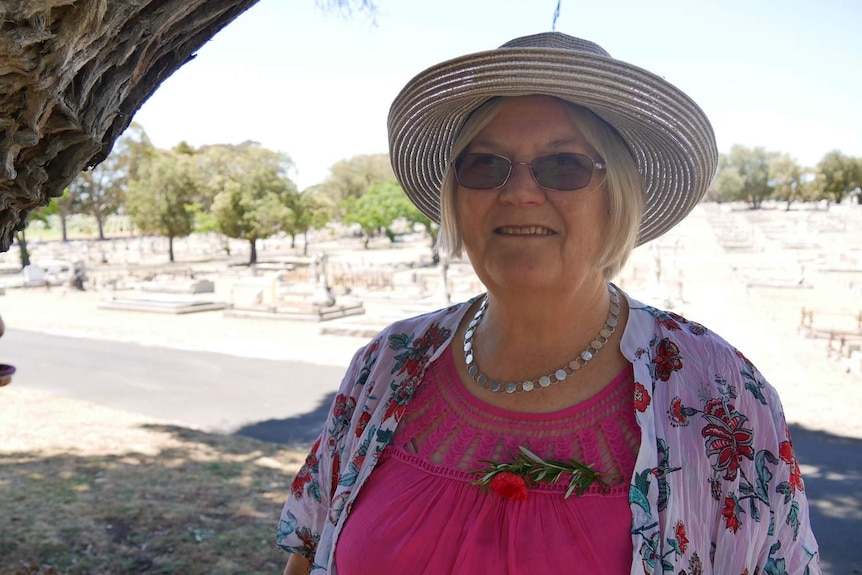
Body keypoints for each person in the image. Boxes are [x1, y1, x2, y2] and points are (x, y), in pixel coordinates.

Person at [277, 32, 820, 574]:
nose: (518, 193)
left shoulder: (717, 390)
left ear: (618, 198)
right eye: (485, 166)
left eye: (564, 166)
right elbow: (309, 550)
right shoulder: (387, 364)